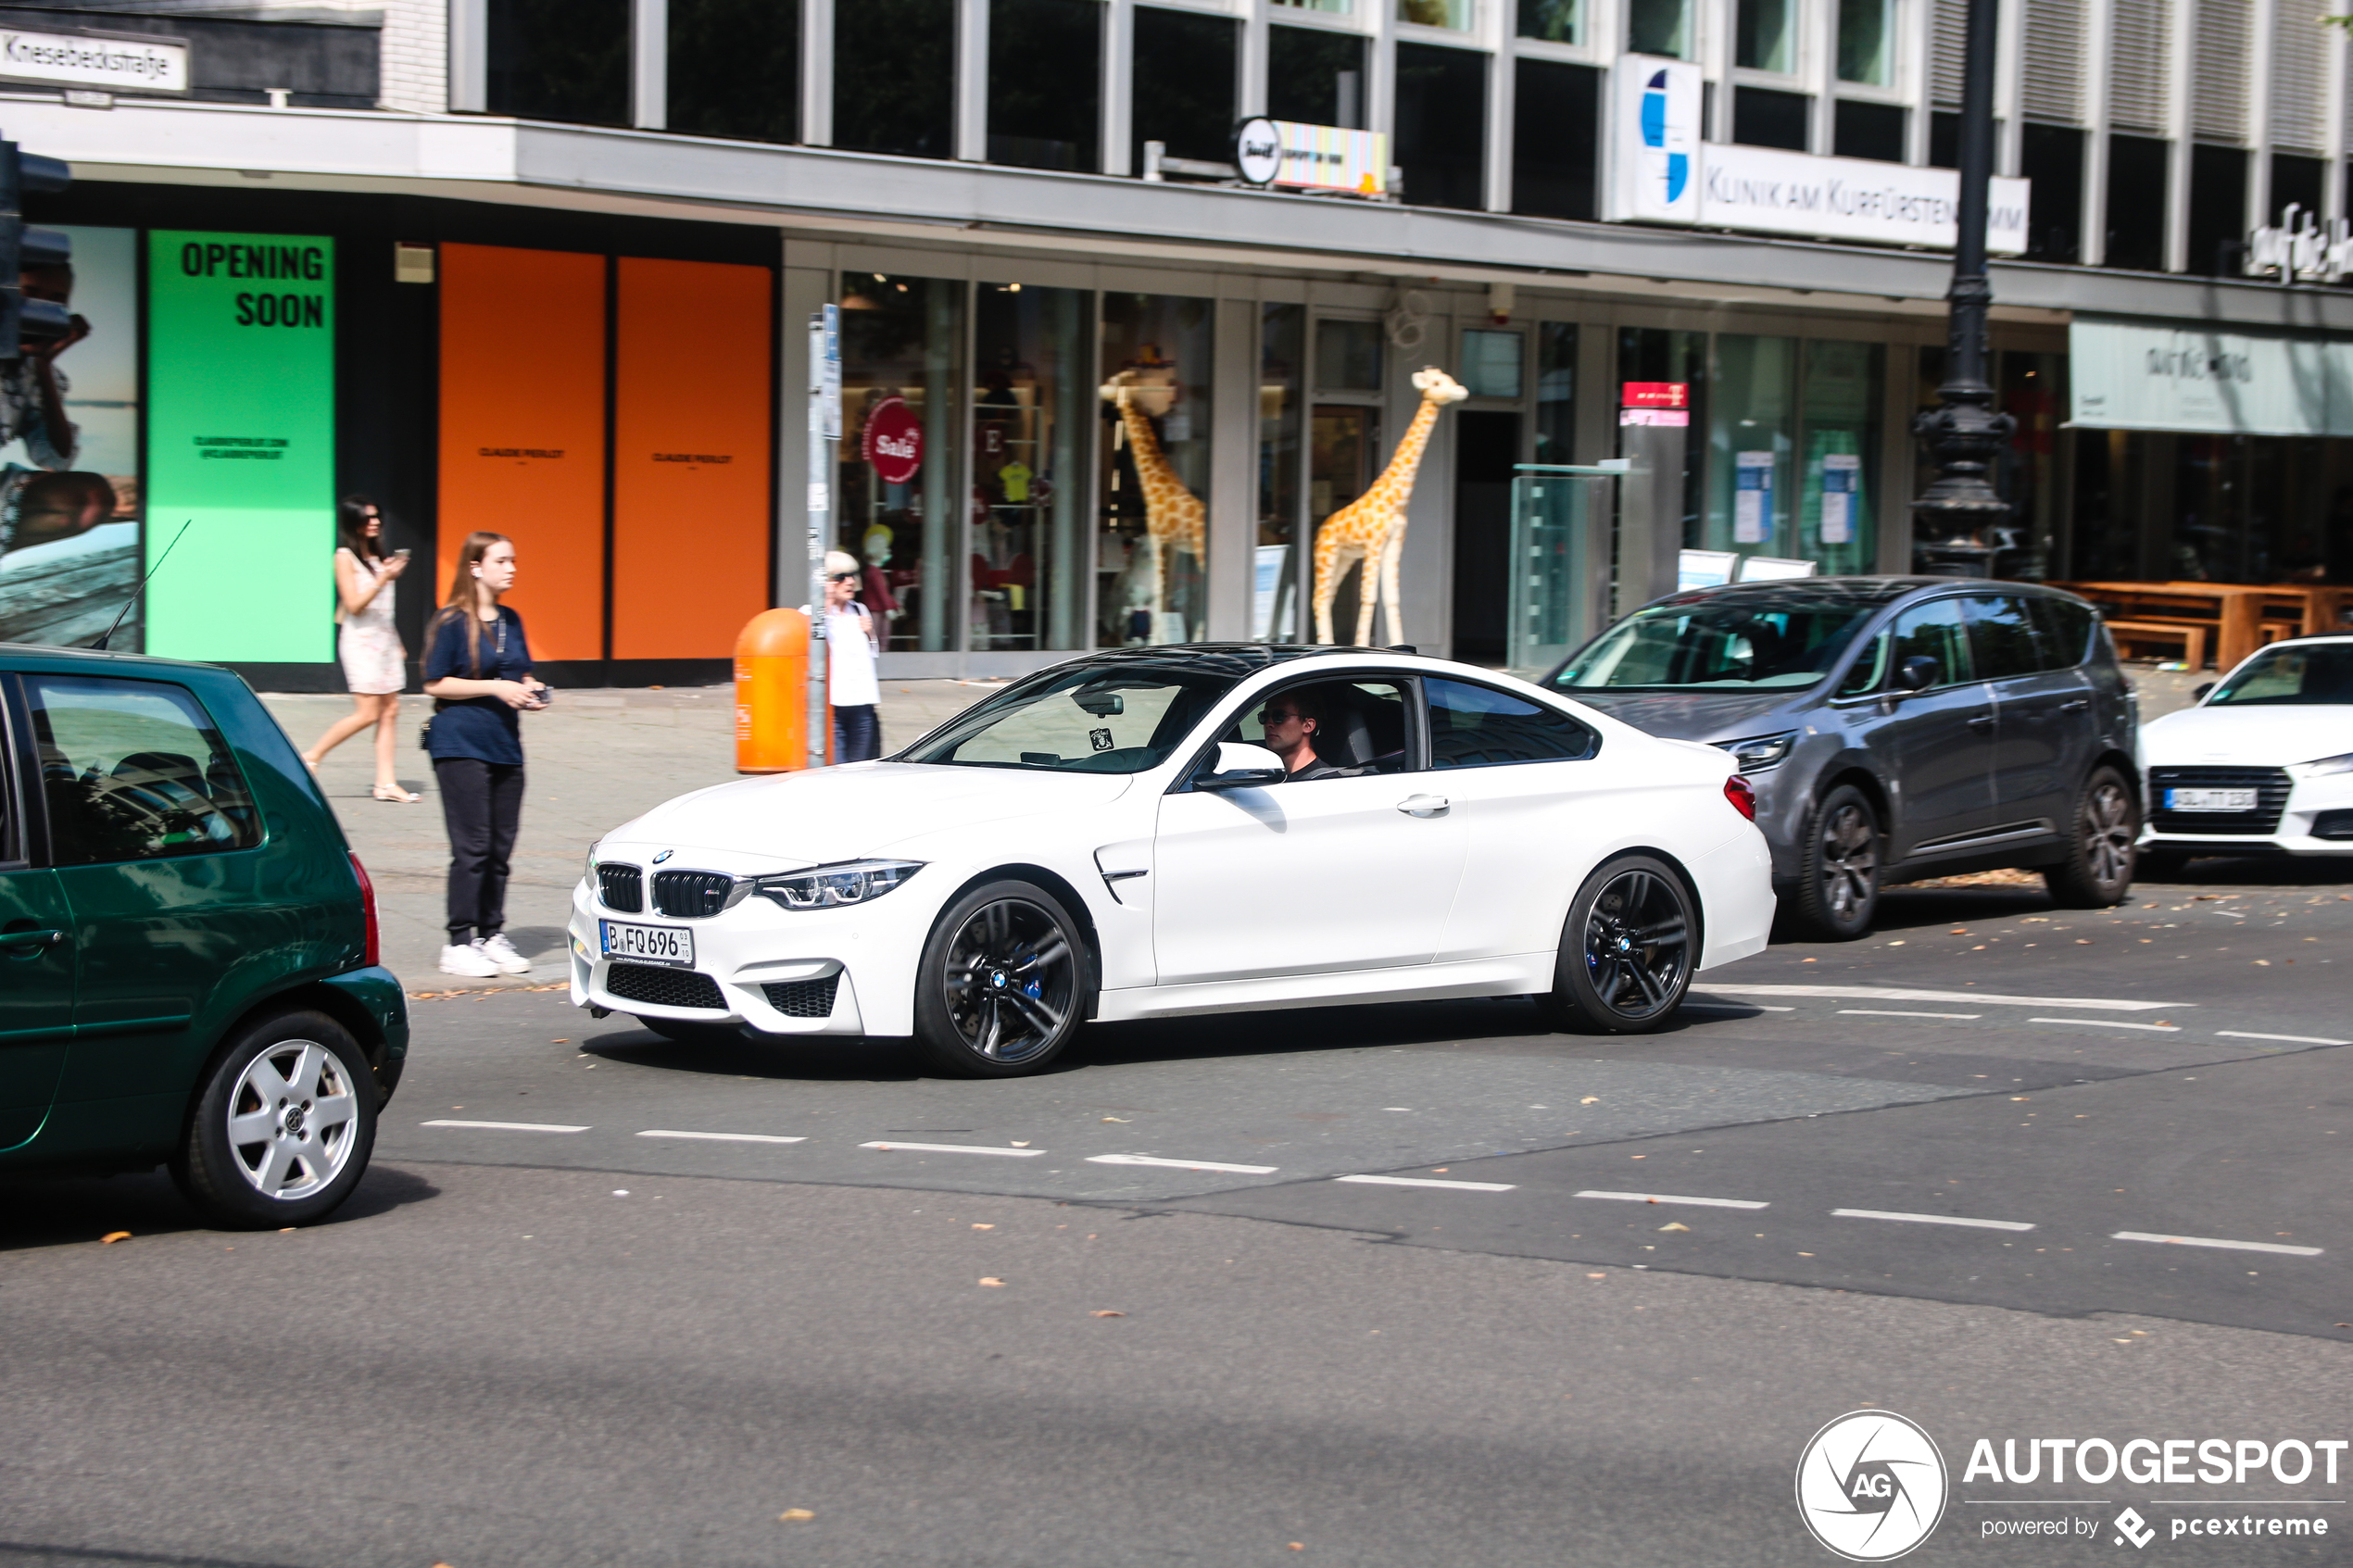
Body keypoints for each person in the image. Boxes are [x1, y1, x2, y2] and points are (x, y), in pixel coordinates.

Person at [422, 532, 547, 978]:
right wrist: (496, 687)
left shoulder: (511, 620)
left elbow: (520, 673)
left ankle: (490, 934)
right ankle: (458, 942)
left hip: (505, 747)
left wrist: (532, 691)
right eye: (501, 561)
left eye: (514, 560)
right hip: (459, 743)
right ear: (475, 566)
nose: (511, 568)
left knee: (499, 848)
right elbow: (435, 683)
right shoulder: (452, 621)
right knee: (471, 846)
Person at [302, 497, 418, 801]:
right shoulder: (344, 557)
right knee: (368, 713)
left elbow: (382, 608)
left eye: (377, 516)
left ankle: (386, 783)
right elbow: (354, 605)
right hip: (362, 643)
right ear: (353, 523)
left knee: (391, 710)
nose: (376, 522)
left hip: (385, 642)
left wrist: (397, 641)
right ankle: (311, 756)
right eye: (368, 518)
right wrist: (384, 578)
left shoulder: (377, 555)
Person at [824, 548, 884, 762]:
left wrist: (870, 633)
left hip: (863, 703)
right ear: (826, 581)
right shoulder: (812, 615)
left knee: (861, 771)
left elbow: (872, 653)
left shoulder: (860, 610)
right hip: (833, 707)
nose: (849, 582)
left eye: (852, 575)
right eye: (841, 577)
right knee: (835, 770)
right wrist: (825, 605)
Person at [1257, 688, 1360, 781]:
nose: (1268, 724)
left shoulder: (1325, 781)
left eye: (1279, 716)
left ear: (1308, 725)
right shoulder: (1267, 777)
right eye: (1264, 716)